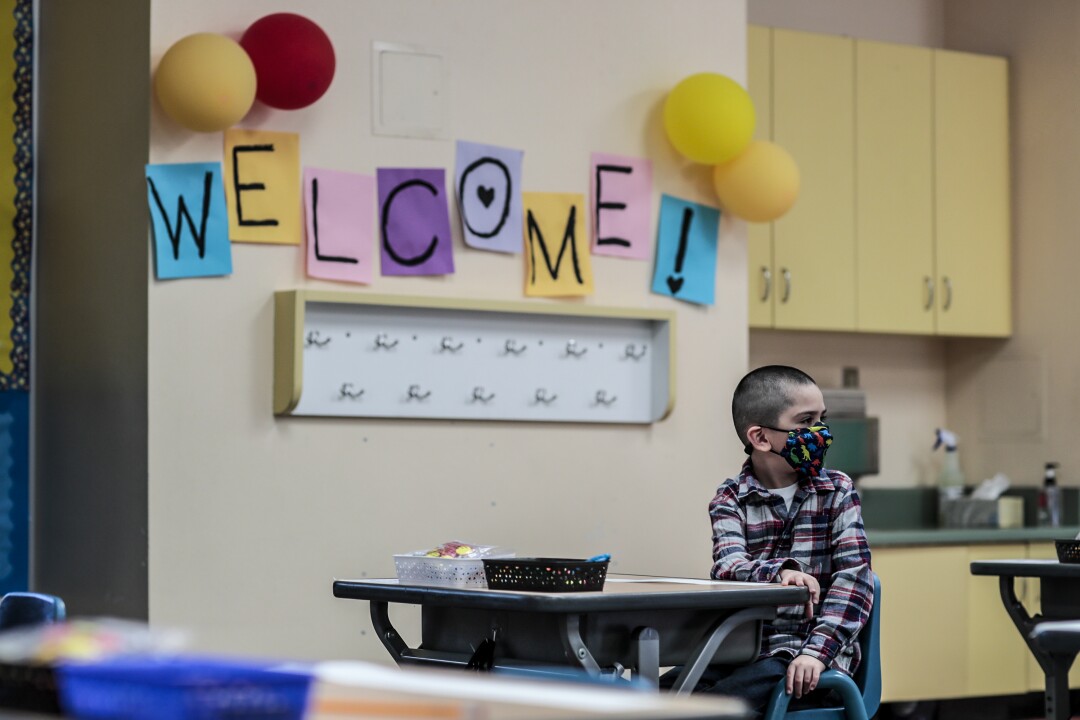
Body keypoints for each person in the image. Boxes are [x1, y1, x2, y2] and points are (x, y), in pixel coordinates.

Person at [699, 365, 874, 716]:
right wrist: (780, 572)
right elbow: (729, 568)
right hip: (743, 653)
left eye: (822, 419)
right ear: (761, 438)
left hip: (811, 661)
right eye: (806, 421)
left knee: (716, 706)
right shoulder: (731, 497)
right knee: (665, 692)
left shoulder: (837, 490)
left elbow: (855, 582)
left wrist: (815, 652)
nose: (820, 433)